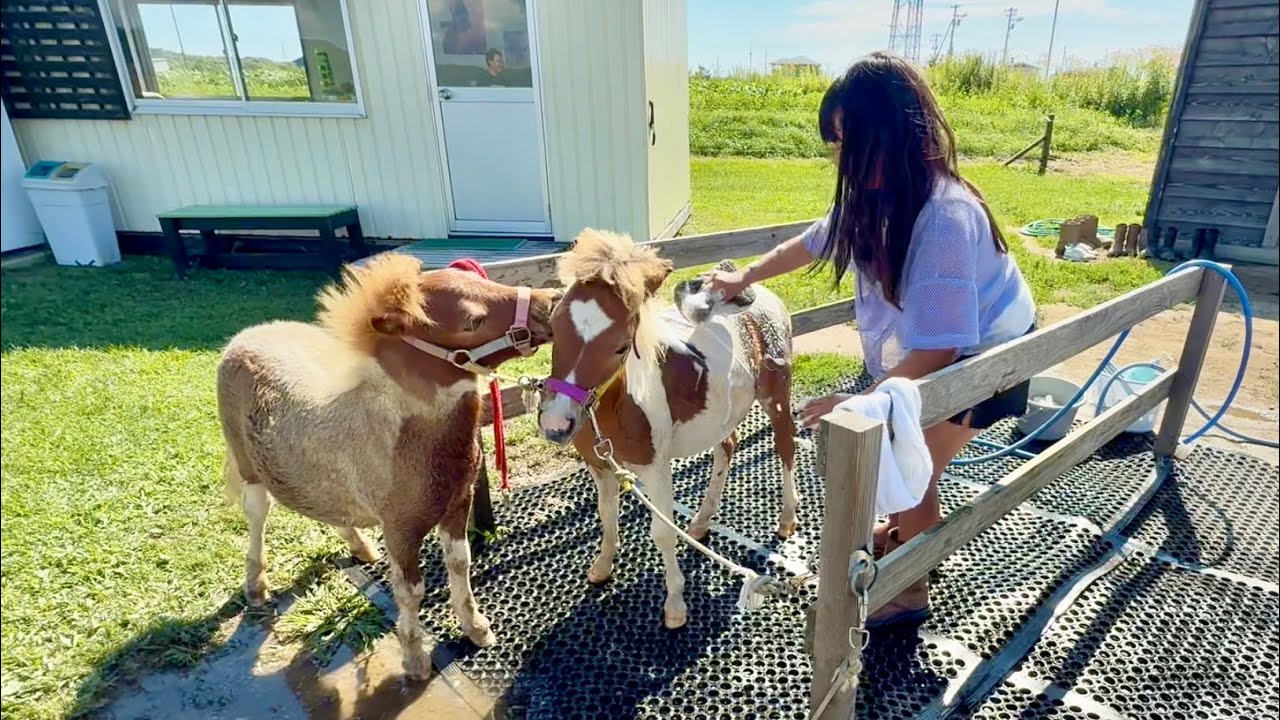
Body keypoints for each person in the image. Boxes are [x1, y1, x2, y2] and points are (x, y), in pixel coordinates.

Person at [702, 51, 1037, 629]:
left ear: (897, 134)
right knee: (905, 456)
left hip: (986, 358)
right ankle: (906, 537)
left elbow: (939, 350)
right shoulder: (874, 194)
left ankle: (908, 588)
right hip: (939, 349)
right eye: (836, 145)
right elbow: (813, 241)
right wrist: (745, 277)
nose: (843, 158)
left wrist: (857, 401)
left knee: (913, 468)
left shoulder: (944, 217)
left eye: (851, 142)